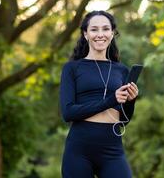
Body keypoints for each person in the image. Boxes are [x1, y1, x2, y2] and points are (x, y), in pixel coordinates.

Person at [59, 10, 139, 178]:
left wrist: (131, 101)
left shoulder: (121, 70)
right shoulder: (72, 68)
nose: (100, 34)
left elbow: (124, 119)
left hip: (112, 149)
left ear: (112, 33)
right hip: (80, 149)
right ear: (85, 34)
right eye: (94, 29)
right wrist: (111, 100)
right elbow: (68, 112)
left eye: (105, 29)